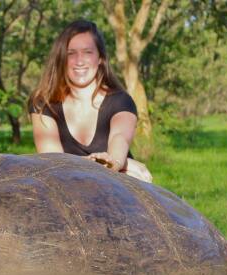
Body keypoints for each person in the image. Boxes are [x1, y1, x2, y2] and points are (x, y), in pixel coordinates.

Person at [28, 19, 152, 183]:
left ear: (100, 58)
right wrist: (121, 165)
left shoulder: (121, 101)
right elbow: (52, 163)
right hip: (67, 188)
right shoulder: (42, 103)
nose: (79, 61)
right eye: (71, 53)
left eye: (88, 52)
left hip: (116, 186)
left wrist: (115, 162)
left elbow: (119, 139)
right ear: (61, 59)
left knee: (133, 176)